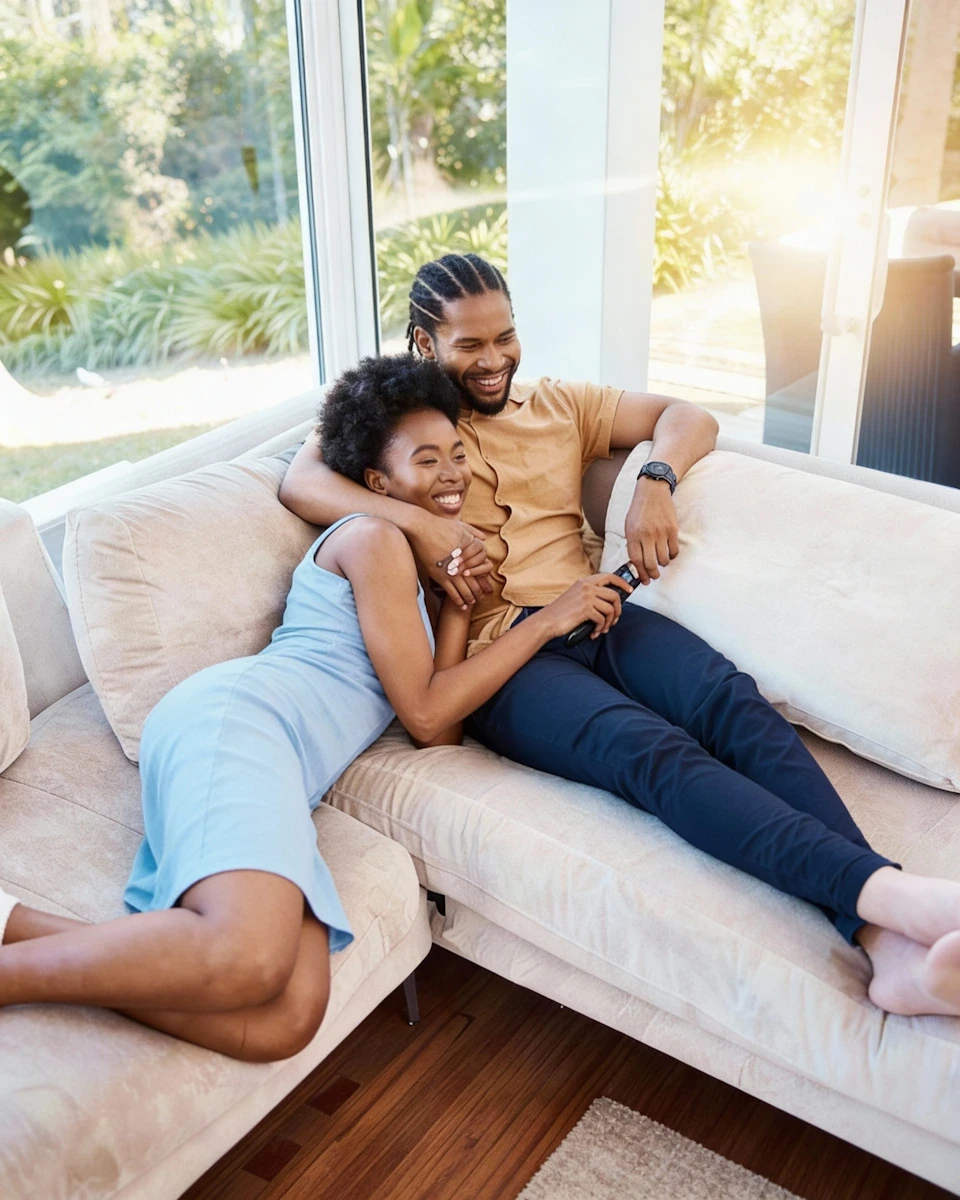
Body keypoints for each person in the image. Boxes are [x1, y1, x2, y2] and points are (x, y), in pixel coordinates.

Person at [279, 252, 960, 1018]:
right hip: (508, 663)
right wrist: (424, 531)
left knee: (732, 703)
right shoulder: (413, 429)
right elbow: (300, 478)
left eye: (505, 337)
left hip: (602, 612)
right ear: (423, 343)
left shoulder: (560, 404)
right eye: (469, 345)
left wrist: (654, 482)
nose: (494, 359)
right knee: (650, 754)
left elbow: (688, 416)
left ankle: (878, 941)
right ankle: (896, 898)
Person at [0, 355, 633, 1060]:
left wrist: (461, 608)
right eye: (426, 460)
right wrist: (544, 622)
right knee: (250, 960)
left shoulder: (415, 570)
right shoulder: (374, 539)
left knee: (282, 1019)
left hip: (277, 764)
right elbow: (423, 714)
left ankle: (13, 927)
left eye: (457, 453)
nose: (453, 472)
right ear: (378, 483)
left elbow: (440, 733)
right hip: (238, 723)